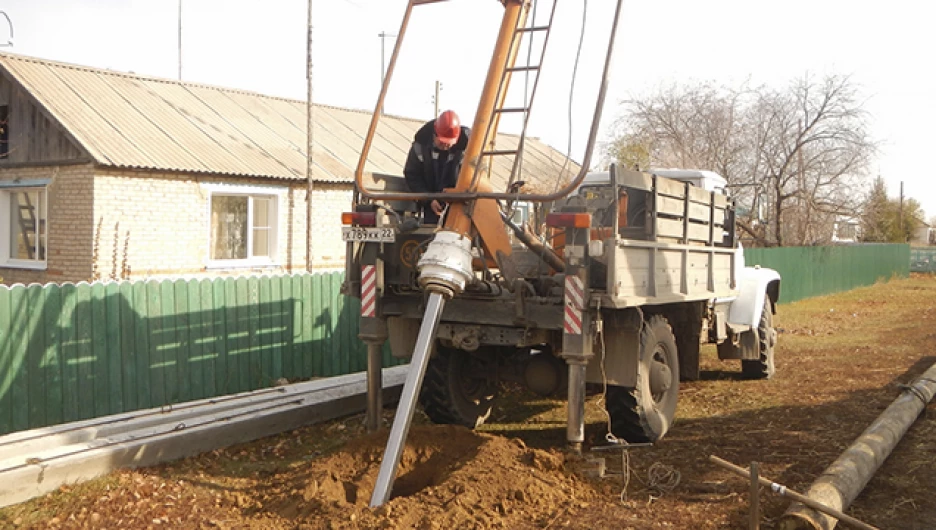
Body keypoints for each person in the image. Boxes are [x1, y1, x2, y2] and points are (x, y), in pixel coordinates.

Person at [403, 110, 470, 224]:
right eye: (442, 142)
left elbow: (473, 178)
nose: (445, 145)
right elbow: (412, 176)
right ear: (434, 133)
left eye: (449, 143)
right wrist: (429, 200)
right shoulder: (420, 147)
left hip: (459, 207)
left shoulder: (468, 149)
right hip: (431, 206)